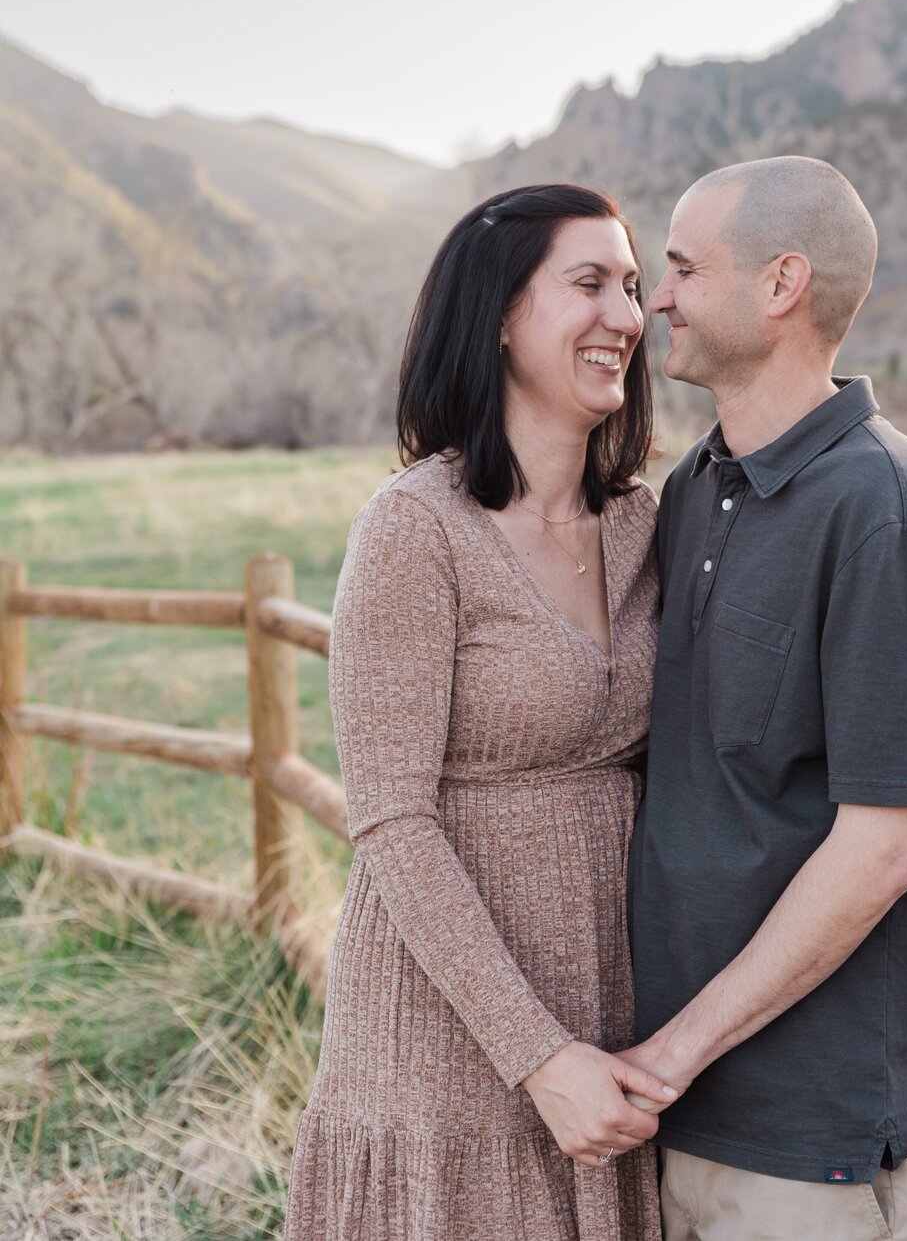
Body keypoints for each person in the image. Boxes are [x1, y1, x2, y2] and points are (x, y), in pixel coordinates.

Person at [624, 156, 907, 1241]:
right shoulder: (700, 487)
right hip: (682, 1105)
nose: (659, 297)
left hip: (815, 1139)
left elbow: (882, 849)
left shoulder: (890, 514)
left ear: (782, 282)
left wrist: (672, 1053)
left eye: (686, 267)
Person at [284, 183, 678, 1241]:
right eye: (588, 282)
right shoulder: (417, 527)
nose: (627, 316)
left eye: (634, 288)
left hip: (613, 995)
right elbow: (390, 820)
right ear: (502, 313)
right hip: (448, 1023)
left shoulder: (647, 522)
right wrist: (538, 1054)